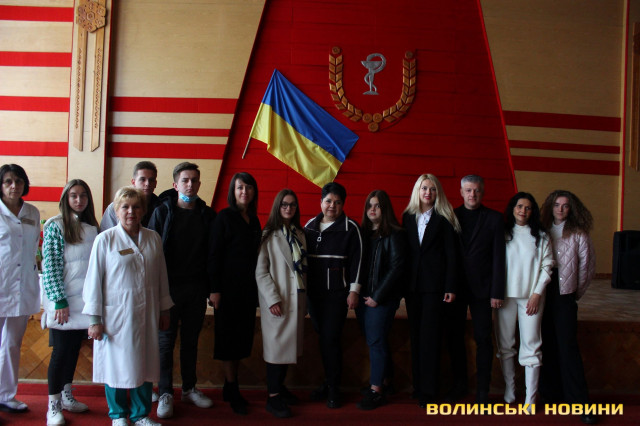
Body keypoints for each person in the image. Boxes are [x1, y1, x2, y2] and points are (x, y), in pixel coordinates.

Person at [83, 187, 173, 426]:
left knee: (145, 364)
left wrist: (164, 309)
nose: (131, 211)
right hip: (116, 316)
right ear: (116, 210)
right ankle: (118, 415)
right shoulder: (105, 240)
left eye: (136, 207)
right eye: (125, 207)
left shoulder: (153, 238)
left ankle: (141, 414)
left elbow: (162, 276)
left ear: (143, 210)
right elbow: (93, 281)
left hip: (147, 313)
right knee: (115, 366)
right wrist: (94, 319)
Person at [148, 162, 215, 418]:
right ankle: (165, 391)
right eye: (185, 180)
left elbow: (213, 255)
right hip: (167, 290)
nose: (190, 184)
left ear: (199, 184)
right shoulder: (162, 212)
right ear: (175, 185)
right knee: (165, 343)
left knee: (190, 342)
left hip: (196, 290)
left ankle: (189, 388)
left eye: (194, 180)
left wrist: (212, 288)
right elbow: (150, 253)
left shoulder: (207, 215)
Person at [42, 179, 99, 425]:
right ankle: (53, 405)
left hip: (84, 302)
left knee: (74, 350)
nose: (79, 200)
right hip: (64, 302)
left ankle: (66, 395)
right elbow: (51, 266)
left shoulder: (92, 227)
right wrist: (59, 300)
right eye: (74, 195)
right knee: (61, 352)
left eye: (83, 195)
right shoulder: (56, 226)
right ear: (66, 199)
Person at [446, 175, 505, 404]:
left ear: (483, 192)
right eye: (469, 190)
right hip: (456, 289)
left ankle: (483, 391)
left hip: (483, 289)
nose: (473, 194)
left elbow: (499, 257)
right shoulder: (451, 216)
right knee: (455, 338)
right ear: (461, 192)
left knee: (483, 339)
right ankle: (459, 385)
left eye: (477, 190)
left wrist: (497, 291)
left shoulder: (495, 219)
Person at [540, 190, 597, 425]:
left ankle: (580, 402)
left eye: (565, 206)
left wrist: (573, 293)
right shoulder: (542, 230)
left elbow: (587, 269)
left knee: (568, 347)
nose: (561, 209)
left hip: (565, 295)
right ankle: (551, 395)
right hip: (544, 292)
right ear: (550, 207)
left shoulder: (579, 234)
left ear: (571, 208)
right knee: (548, 344)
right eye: (557, 205)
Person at [304, 182, 363, 409]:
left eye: (337, 202)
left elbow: (358, 262)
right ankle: (328, 382)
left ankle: (334, 388)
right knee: (323, 339)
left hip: (337, 296)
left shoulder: (351, 228)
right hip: (314, 296)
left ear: (343, 204)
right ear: (321, 202)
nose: (332, 206)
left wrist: (354, 291)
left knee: (330, 339)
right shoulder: (309, 227)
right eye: (328, 201)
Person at [402, 173, 459, 408]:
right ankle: (418, 386)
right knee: (416, 336)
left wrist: (450, 286)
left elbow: (452, 255)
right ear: (418, 191)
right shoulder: (408, 217)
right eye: (424, 188)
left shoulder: (445, 217)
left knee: (430, 338)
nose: (428, 192)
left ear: (438, 193)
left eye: (432, 189)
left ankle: (429, 389)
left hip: (435, 287)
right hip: (412, 287)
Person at [208, 172, 261, 415]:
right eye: (240, 187)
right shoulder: (224, 217)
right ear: (233, 190)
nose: (244, 192)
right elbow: (214, 255)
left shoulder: (254, 219)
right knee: (228, 340)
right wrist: (214, 289)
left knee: (241, 339)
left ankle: (230, 386)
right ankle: (232, 386)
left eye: (248, 187)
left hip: (247, 291)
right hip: (226, 291)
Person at [496, 192, 553, 412]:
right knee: (505, 344)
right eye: (520, 206)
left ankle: (530, 398)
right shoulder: (502, 233)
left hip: (531, 298)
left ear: (533, 211)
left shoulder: (541, 236)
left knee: (531, 345)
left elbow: (547, 266)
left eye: (528, 208)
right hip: (505, 298)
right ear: (513, 208)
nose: (523, 211)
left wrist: (537, 294)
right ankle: (510, 390)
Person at [255, 189, 307, 418]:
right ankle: (273, 397)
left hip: (296, 299)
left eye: (292, 205)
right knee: (276, 351)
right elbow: (261, 272)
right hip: (278, 300)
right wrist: (272, 298)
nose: (288, 208)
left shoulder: (299, 233)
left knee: (287, 349)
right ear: (278, 206)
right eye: (284, 204)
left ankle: (281, 388)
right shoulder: (268, 234)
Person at [355, 190, 405, 410]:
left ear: (385, 209)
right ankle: (385, 381)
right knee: (376, 339)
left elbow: (396, 268)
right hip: (363, 297)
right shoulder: (363, 234)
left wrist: (377, 296)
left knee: (375, 341)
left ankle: (376, 391)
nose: (372, 209)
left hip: (382, 298)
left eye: (377, 206)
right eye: (369, 205)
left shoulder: (395, 234)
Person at [0, 164, 40, 413]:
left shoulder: (32, 212)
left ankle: (6, 394)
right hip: (1, 284)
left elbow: (33, 247)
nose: (14, 186)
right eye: (8, 181)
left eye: (19, 181)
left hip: (22, 286)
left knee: (12, 343)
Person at [100, 161, 160, 231]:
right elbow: (106, 234)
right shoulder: (115, 207)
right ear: (133, 182)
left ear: (155, 183)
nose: (147, 184)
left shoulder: (161, 208)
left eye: (151, 180)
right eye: (142, 179)